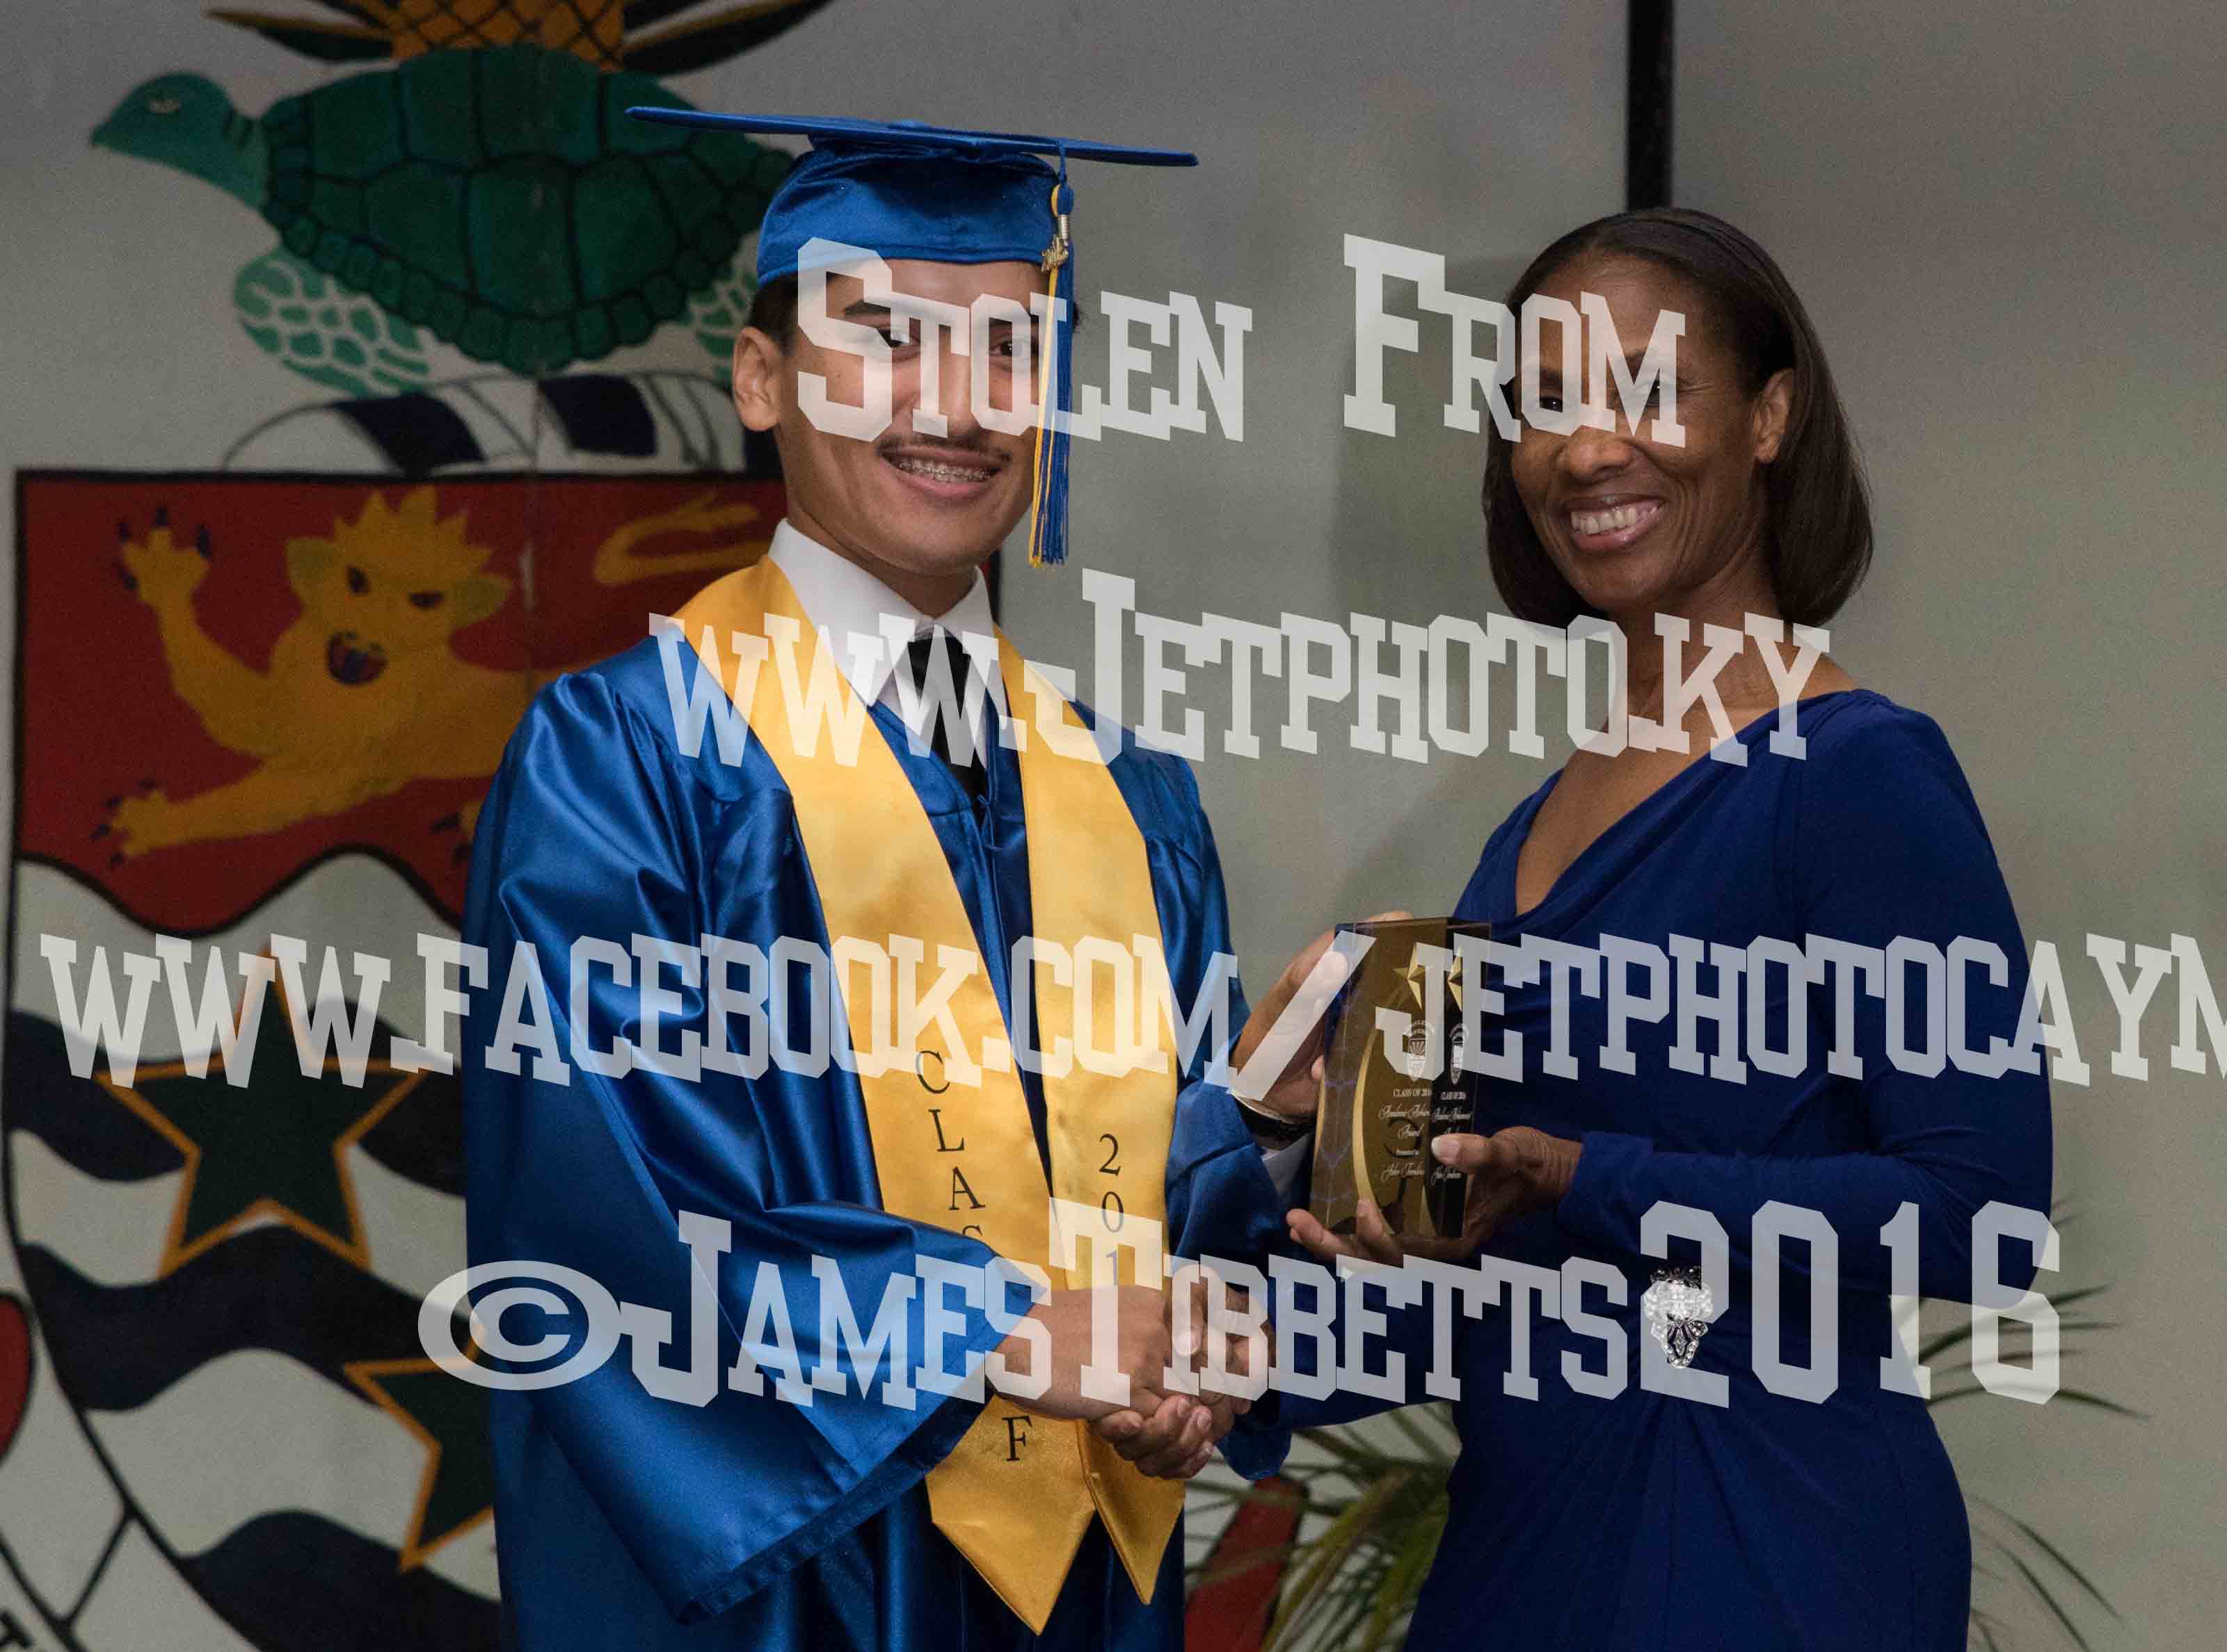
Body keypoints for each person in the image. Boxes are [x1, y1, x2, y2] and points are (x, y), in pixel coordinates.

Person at [459, 115, 1307, 1651]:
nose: (956, 405)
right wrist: (1004, 1329)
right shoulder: (630, 756)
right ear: (760, 377)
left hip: (1086, 1587)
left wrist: (1221, 1275)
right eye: (888, 338)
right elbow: (605, 1203)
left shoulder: (1132, 796)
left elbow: (1164, 1201)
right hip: (793, 1584)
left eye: (1011, 349)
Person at [1264, 208, 2056, 1649]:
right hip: (1527, 1540)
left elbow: (1980, 1219)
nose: (1585, 450)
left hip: (1766, 1535)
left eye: (1645, 390)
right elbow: (1477, 1288)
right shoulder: (1527, 833)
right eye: (1544, 403)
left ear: (1769, 417)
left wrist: (1586, 1174)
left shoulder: (1857, 774)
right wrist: (1281, 1218)